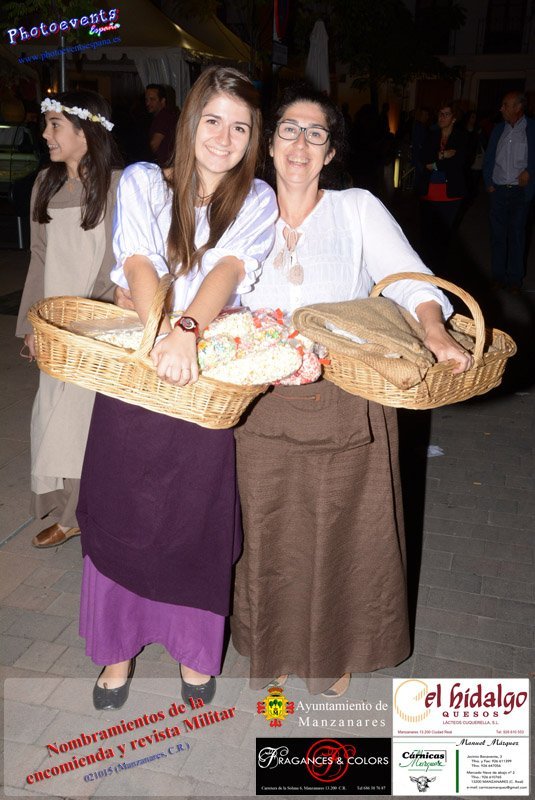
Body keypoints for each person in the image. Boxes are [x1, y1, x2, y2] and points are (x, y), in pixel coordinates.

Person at [231, 83, 473, 697]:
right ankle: (274, 645)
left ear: (331, 151)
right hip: (259, 401)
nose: (301, 143)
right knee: (269, 528)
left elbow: (409, 280)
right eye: (289, 130)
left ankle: (333, 649)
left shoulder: (356, 209)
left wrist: (434, 330)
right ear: (269, 143)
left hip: (344, 397)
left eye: (315, 134)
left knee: (342, 532)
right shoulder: (241, 210)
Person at [77, 66, 277, 710]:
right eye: (213, 120)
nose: (224, 137)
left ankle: (193, 651)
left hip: (205, 372)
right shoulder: (143, 181)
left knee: (195, 515)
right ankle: (116, 652)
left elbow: (229, 267)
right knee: (121, 505)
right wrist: (160, 330)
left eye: (240, 127)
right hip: (140, 364)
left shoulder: (257, 199)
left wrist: (187, 331)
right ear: (190, 122)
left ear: (253, 137)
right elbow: (139, 259)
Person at [16, 90, 122, 549]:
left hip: (98, 324)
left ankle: (76, 513)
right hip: (55, 323)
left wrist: (87, 318)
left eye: (55, 124)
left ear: (86, 131)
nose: (45, 134)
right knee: (49, 412)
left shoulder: (118, 184)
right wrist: (33, 324)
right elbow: (39, 258)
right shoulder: (44, 183)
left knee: (80, 417)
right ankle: (64, 505)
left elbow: (118, 260)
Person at [482, 91, 535, 292]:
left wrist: (530, 171)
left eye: (505, 105)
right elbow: (489, 157)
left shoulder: (532, 128)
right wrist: (488, 181)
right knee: (497, 235)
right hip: (498, 190)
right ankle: (498, 276)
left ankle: (514, 279)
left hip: (519, 192)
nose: (501, 108)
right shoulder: (498, 129)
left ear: (518, 107)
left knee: (517, 236)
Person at [419, 103, 467, 271]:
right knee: (428, 233)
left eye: (446, 114)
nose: (442, 117)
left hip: (450, 193)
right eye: (440, 113)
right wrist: (444, 155)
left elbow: (459, 162)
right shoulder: (431, 135)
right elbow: (424, 160)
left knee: (444, 233)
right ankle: (427, 268)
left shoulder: (461, 137)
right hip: (429, 191)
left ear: (454, 118)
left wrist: (436, 163)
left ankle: (441, 268)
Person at [145, 83, 179, 166]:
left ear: (163, 101)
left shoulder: (164, 116)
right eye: (146, 100)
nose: (147, 103)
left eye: (152, 99)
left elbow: (154, 145)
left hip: (165, 166)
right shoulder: (169, 114)